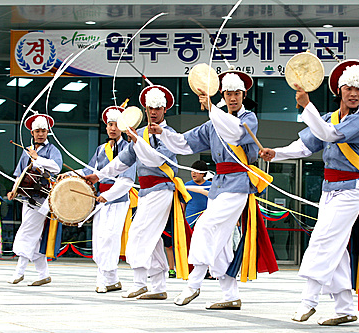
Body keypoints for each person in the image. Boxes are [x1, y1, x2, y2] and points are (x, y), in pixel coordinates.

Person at [260, 60, 359, 326]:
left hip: (351, 191)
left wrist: (307, 106)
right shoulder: (328, 118)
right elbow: (305, 146)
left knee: (322, 240)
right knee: (337, 248)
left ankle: (308, 302)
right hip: (329, 190)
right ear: (339, 90)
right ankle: (344, 307)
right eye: (349, 88)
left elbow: (330, 136)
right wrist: (277, 153)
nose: (354, 93)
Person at [154, 69, 277, 310]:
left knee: (206, 226)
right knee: (219, 240)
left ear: (244, 94)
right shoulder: (213, 123)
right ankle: (230, 294)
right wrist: (163, 132)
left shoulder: (248, 118)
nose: (233, 98)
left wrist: (212, 108)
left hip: (239, 183)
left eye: (237, 93)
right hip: (219, 185)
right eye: (229, 93)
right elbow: (185, 143)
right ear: (223, 94)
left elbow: (236, 132)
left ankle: (194, 283)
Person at [85, 85, 182, 300]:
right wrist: (98, 176)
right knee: (153, 238)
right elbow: (122, 161)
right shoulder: (142, 133)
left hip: (162, 188)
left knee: (139, 232)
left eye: (157, 108)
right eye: (150, 108)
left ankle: (140, 282)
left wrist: (137, 141)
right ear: (145, 110)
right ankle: (158, 286)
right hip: (147, 191)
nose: (154, 112)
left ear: (164, 109)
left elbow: (157, 160)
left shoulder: (169, 134)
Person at [69, 106, 137, 293]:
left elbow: (127, 181)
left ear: (122, 127)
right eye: (110, 124)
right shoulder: (101, 149)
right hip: (99, 199)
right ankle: (112, 279)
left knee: (110, 237)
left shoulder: (129, 147)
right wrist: (67, 174)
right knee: (99, 238)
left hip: (117, 199)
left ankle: (102, 278)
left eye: (116, 125)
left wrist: (107, 196)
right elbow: (89, 171)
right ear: (106, 127)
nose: (113, 128)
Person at [7, 114, 62, 286]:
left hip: (44, 198)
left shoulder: (52, 150)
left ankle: (19, 271)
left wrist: (38, 159)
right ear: (32, 132)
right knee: (34, 235)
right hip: (27, 198)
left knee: (28, 232)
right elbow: (20, 174)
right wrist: (13, 190)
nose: (40, 134)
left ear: (48, 132)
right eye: (37, 131)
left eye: (43, 131)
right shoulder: (27, 151)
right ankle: (43, 274)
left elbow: (56, 166)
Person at [184, 160, 211, 228]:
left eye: (196, 172)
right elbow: (183, 203)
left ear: (203, 173)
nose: (193, 173)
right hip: (190, 220)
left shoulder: (211, 186)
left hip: (206, 220)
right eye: (192, 171)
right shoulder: (187, 185)